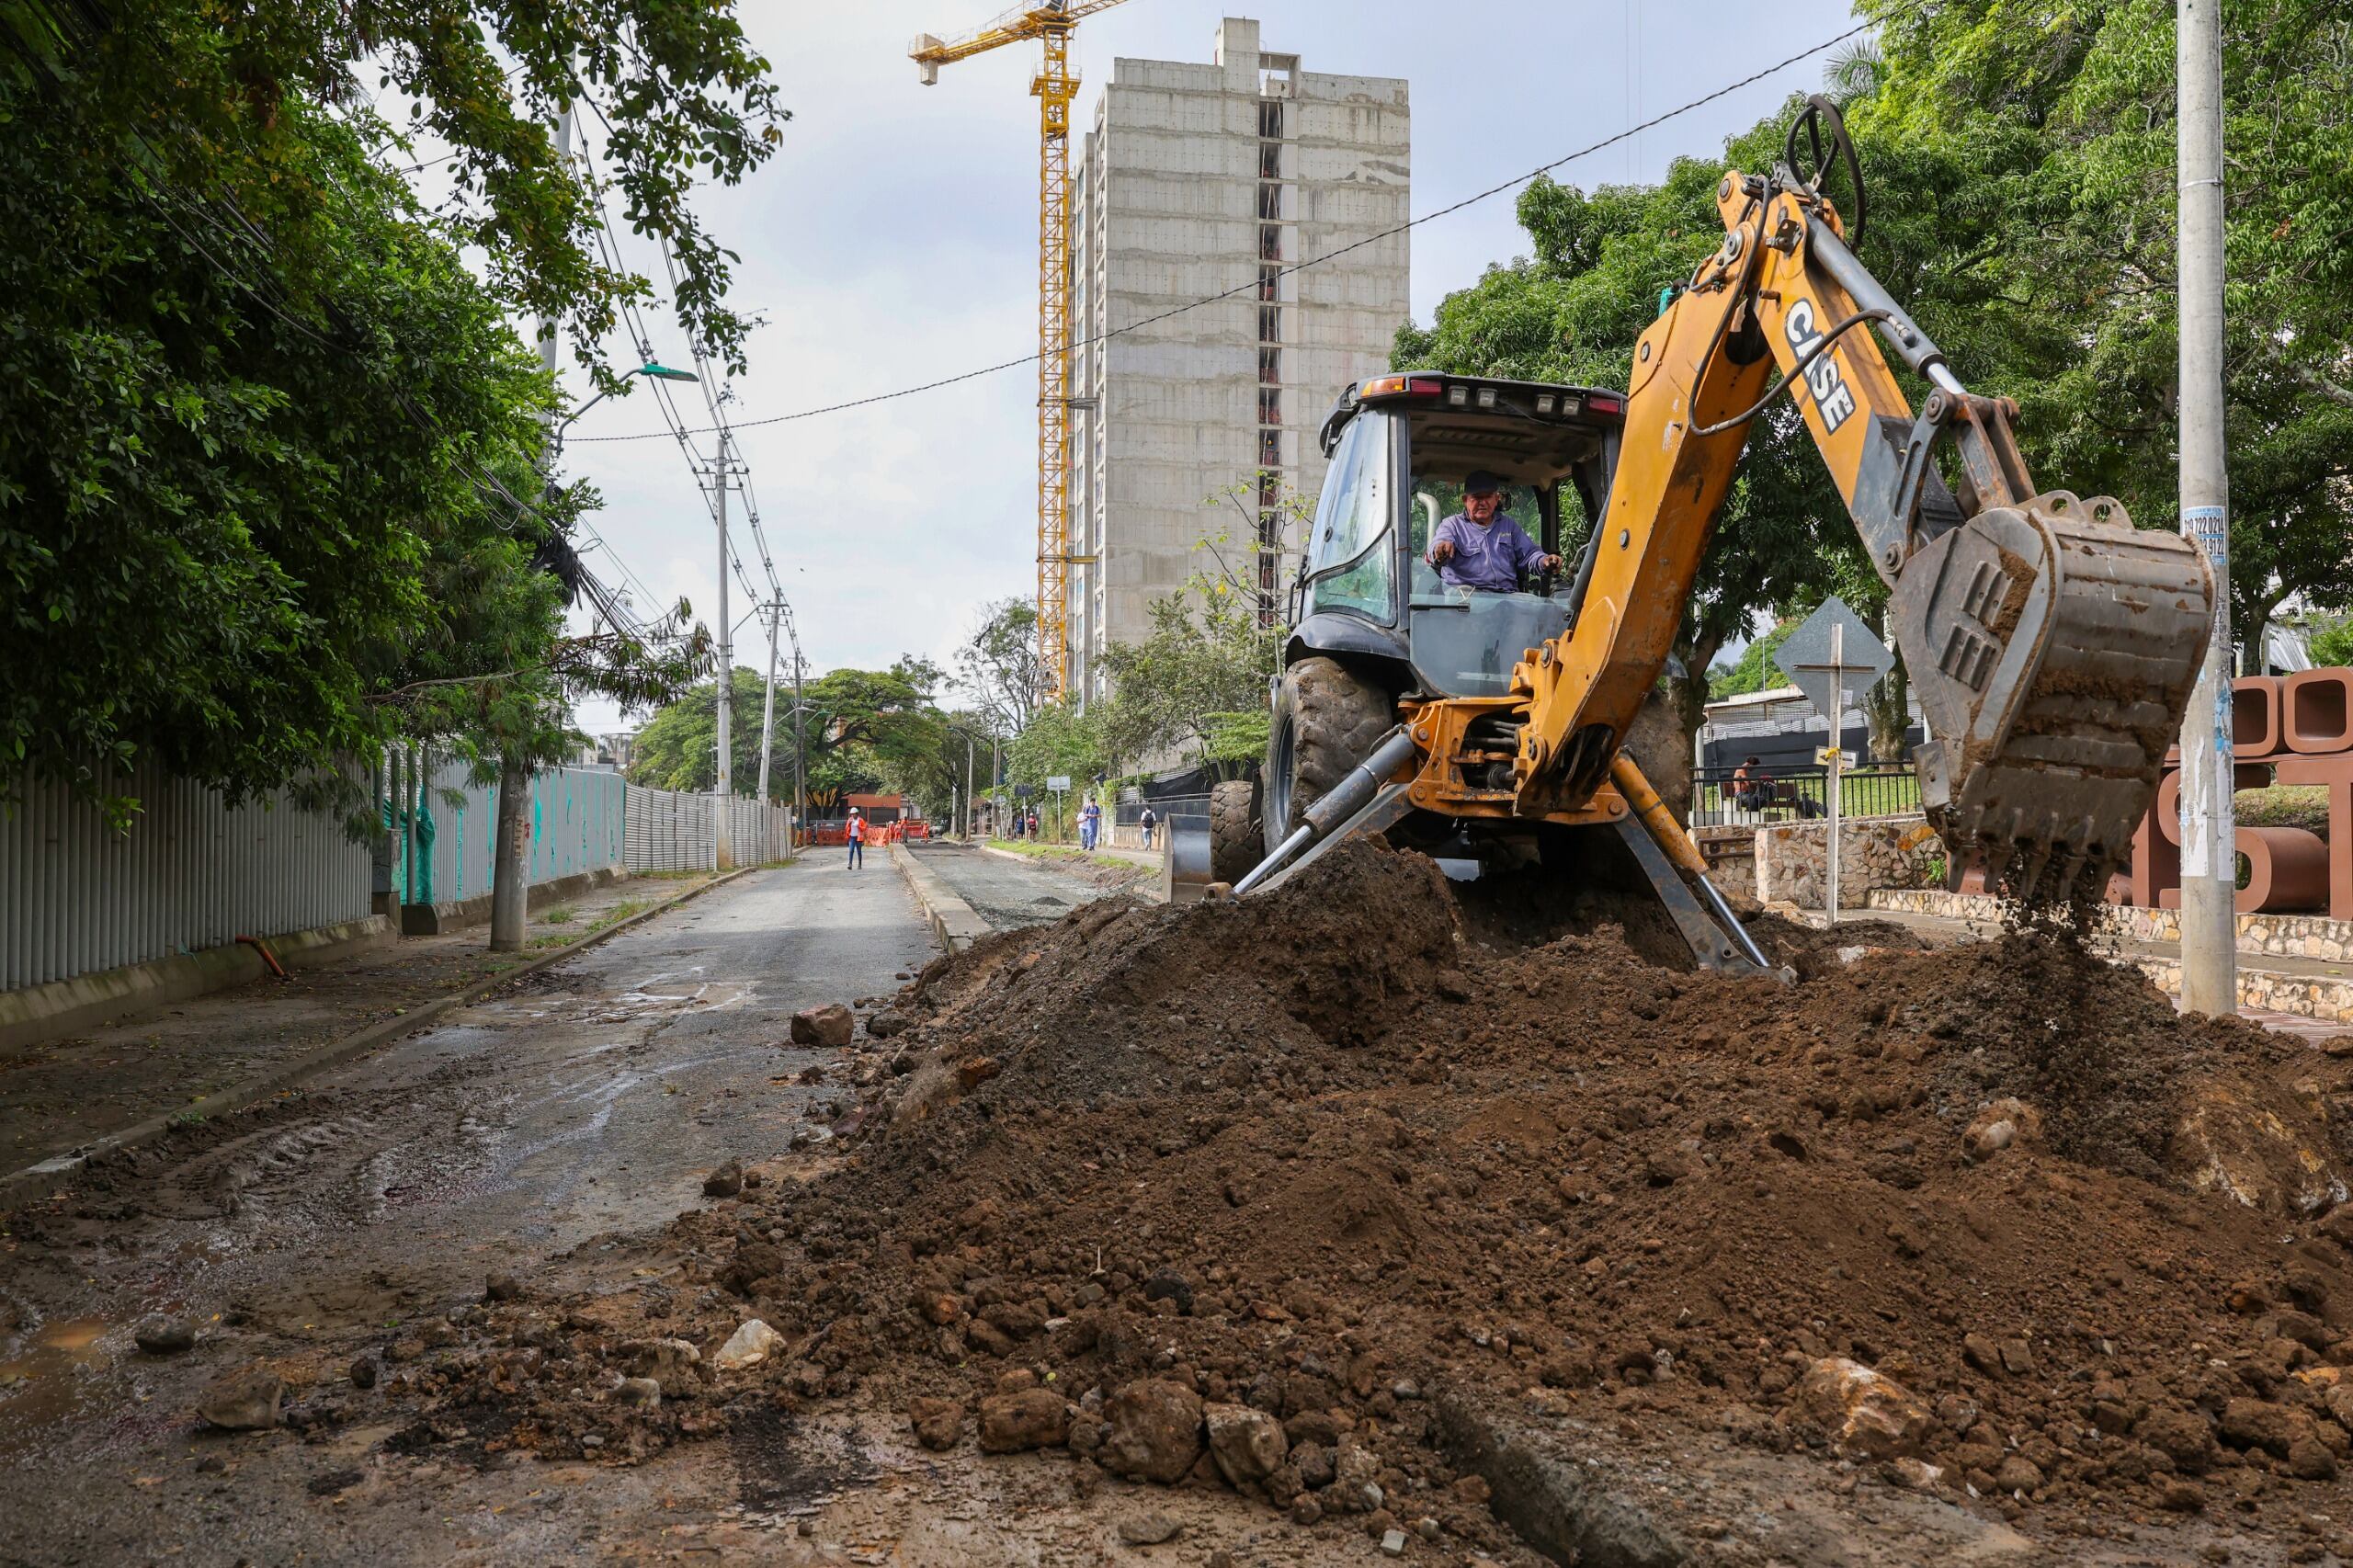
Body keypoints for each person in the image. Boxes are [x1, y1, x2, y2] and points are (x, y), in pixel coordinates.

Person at [1426, 470, 1562, 593]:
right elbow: (1439, 544)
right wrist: (1441, 549)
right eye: (1477, 497)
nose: (1483, 502)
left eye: (1488, 497)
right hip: (1463, 603)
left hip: (1506, 601)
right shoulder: (1452, 525)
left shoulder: (1509, 526)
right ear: (1465, 500)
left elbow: (1530, 554)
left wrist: (1544, 561)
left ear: (1496, 499)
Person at [845, 806, 866, 870]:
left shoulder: (861, 820)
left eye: (854, 814)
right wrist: (849, 824)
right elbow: (846, 828)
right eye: (852, 814)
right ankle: (850, 864)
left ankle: (860, 864)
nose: (852, 815)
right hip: (852, 837)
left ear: (857, 814)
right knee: (851, 850)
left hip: (858, 837)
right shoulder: (850, 820)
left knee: (859, 851)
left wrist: (858, 826)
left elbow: (864, 828)